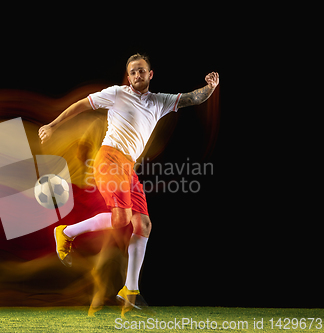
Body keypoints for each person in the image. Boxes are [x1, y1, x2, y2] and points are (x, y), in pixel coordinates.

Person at [38, 53, 219, 312]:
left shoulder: (160, 102)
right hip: (109, 158)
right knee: (122, 219)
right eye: (132, 72)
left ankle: (130, 291)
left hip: (128, 168)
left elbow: (192, 98)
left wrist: (210, 88)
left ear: (150, 74)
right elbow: (83, 105)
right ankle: (65, 233)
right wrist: (54, 125)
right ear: (128, 76)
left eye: (141, 71)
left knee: (143, 224)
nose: (136, 75)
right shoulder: (116, 93)